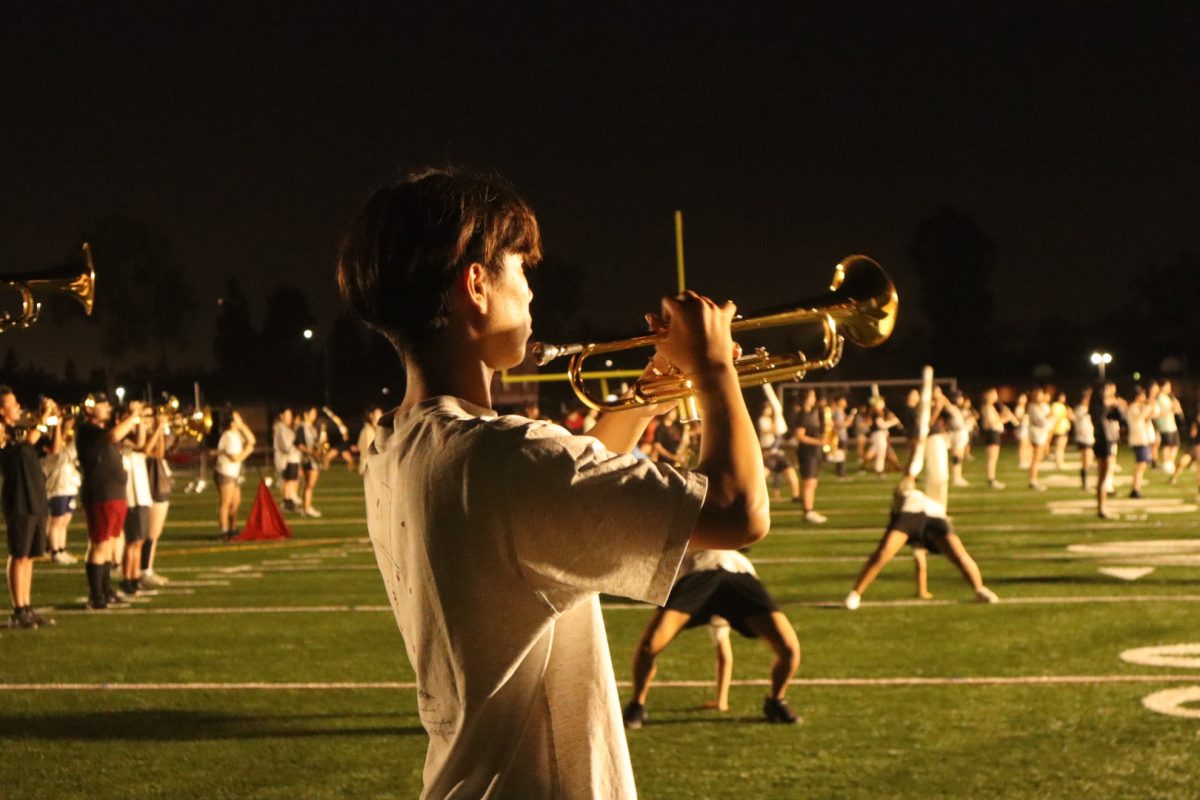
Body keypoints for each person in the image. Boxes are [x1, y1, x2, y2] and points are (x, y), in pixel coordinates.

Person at [337, 167, 769, 798]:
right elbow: (738, 512)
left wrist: (644, 400)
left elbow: (557, 502)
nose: (533, 293)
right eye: (522, 269)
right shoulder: (504, 457)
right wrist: (715, 367)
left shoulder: (398, 446)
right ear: (476, 284)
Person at [624, 548, 801, 727]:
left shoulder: (739, 558)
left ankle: (776, 701)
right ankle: (637, 704)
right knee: (649, 645)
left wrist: (721, 699)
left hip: (738, 574)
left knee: (789, 648)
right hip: (698, 573)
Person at [843, 476, 999, 609]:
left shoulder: (917, 496)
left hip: (933, 516)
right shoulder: (906, 497)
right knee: (883, 554)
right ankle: (855, 594)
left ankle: (979, 589)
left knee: (959, 555)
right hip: (913, 515)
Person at [75, 393, 143, 610]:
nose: (106, 407)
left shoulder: (102, 431)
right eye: (102, 404)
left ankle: (105, 590)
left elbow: (138, 442)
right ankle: (96, 596)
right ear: (89, 409)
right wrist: (133, 417)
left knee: (110, 543)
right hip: (101, 493)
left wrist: (137, 420)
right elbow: (113, 436)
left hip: (114, 493)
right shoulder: (87, 429)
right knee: (100, 545)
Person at [1, 388, 56, 628]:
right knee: (19, 554)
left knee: (30, 556)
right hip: (18, 498)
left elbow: (51, 447)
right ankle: (18, 609)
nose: (18, 407)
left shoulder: (19, 430)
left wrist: (52, 420)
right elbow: (23, 447)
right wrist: (42, 420)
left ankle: (27, 606)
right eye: (13, 404)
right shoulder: (3, 433)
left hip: (35, 496)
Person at [140, 410, 174, 587]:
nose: (149, 419)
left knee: (154, 533)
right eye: (145, 416)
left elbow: (160, 452)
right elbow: (147, 450)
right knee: (147, 534)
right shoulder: (136, 434)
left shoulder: (152, 432)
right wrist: (158, 428)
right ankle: (142, 571)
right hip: (146, 485)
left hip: (157, 484)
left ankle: (148, 569)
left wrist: (160, 430)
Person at [43, 413, 81, 563]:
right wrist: (59, 427)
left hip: (69, 486)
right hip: (57, 487)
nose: (70, 427)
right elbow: (57, 452)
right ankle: (54, 551)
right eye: (67, 424)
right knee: (56, 522)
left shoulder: (69, 441)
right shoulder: (51, 443)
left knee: (65, 521)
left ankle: (61, 549)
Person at [215, 410, 256, 538]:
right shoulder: (227, 436)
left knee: (236, 502)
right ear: (232, 422)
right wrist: (248, 451)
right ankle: (224, 530)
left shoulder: (236, 433)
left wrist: (242, 425)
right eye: (237, 418)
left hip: (234, 473)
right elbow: (234, 458)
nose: (240, 419)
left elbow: (252, 440)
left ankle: (232, 528)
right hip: (225, 472)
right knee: (226, 503)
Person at [790, 388, 827, 522]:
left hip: (814, 452)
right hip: (807, 452)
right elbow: (799, 435)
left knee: (813, 482)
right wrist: (818, 441)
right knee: (809, 482)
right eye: (812, 396)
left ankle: (809, 510)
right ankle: (808, 511)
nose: (814, 398)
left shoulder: (811, 413)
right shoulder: (803, 414)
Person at [758, 384, 800, 502]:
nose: (769, 410)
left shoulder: (772, 420)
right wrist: (777, 417)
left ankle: (796, 495)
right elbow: (771, 430)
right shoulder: (762, 420)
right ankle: (756, 493)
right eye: (768, 408)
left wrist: (777, 416)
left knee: (790, 470)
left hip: (776, 452)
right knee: (763, 476)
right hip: (768, 452)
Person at [979, 388, 1015, 489]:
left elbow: (995, 420)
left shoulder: (990, 407)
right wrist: (1006, 418)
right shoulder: (987, 407)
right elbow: (992, 423)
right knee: (992, 459)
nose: (996, 396)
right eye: (994, 394)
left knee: (993, 458)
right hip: (991, 433)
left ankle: (992, 478)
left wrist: (1003, 414)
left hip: (993, 433)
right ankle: (991, 479)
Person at [1124, 386, 1156, 499]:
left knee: (1142, 465)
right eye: (1142, 395)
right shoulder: (1133, 407)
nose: (1144, 397)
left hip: (1143, 439)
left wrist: (1150, 407)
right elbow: (1140, 417)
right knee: (1141, 465)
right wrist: (1149, 406)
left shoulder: (1138, 407)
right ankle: (1135, 489)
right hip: (1139, 439)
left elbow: (1150, 415)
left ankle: (1136, 488)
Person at [294, 406, 323, 517]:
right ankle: (307, 507)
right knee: (310, 485)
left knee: (307, 485)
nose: (314, 416)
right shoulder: (302, 427)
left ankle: (305, 507)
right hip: (309, 460)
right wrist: (311, 452)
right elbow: (299, 444)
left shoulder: (312, 427)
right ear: (306, 414)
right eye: (312, 413)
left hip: (313, 458)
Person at [272, 408, 301, 511]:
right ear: (281, 416)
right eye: (287, 414)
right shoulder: (280, 427)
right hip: (286, 458)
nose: (289, 417)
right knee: (288, 480)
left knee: (291, 480)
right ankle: (287, 500)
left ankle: (290, 500)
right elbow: (285, 445)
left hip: (290, 457)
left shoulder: (287, 427)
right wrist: (296, 447)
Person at [1073, 387, 1096, 491]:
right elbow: (1080, 424)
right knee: (1086, 461)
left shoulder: (1087, 409)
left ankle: (1085, 482)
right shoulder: (1080, 409)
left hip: (1090, 438)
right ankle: (1084, 483)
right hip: (1084, 438)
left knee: (1089, 461)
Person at [356, 404, 384, 476]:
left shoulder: (377, 429)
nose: (381, 415)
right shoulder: (368, 431)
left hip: (374, 466)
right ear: (371, 415)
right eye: (378, 413)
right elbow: (370, 448)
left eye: (381, 413)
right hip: (369, 466)